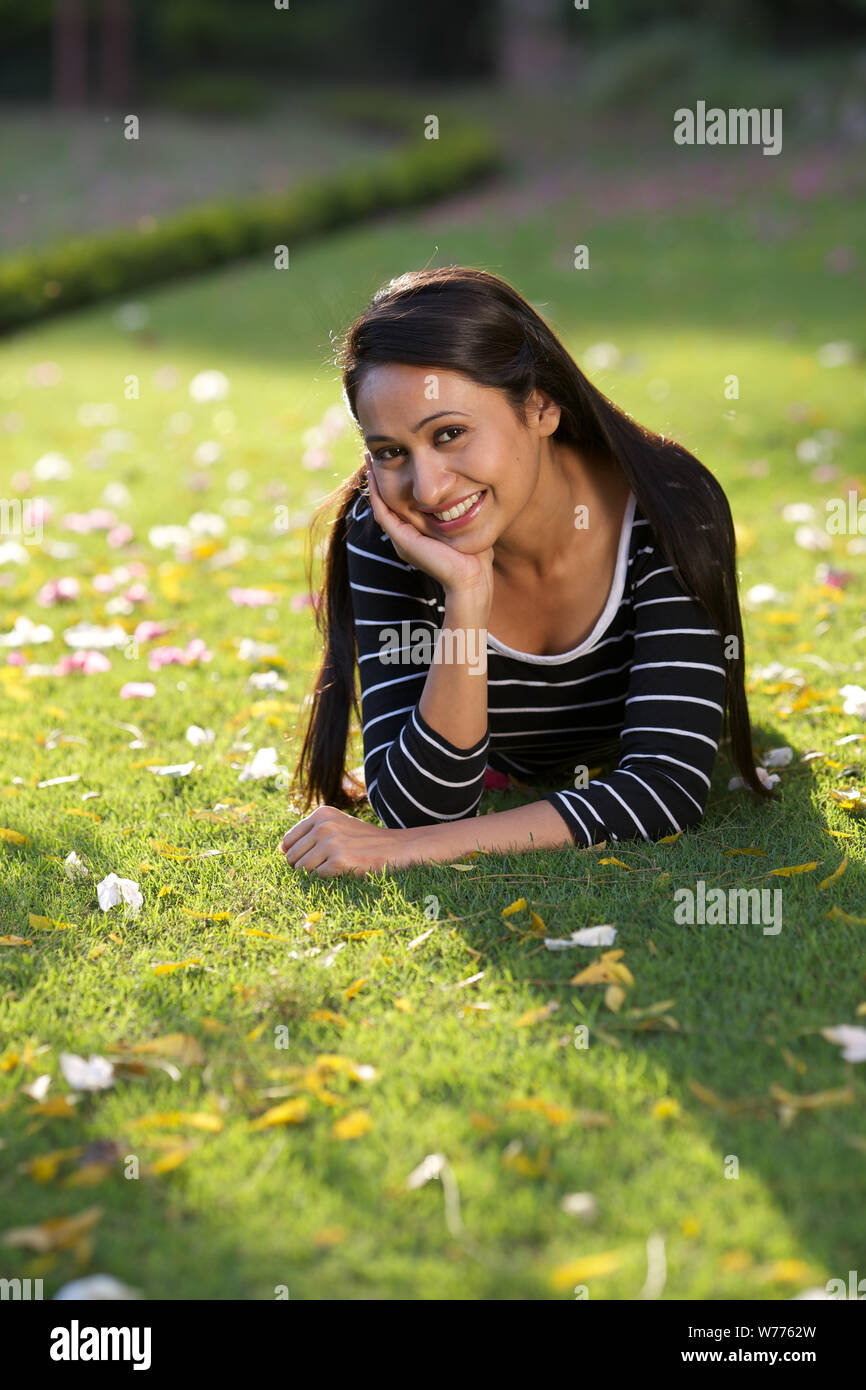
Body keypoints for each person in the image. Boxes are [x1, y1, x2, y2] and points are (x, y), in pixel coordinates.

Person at [281, 266, 776, 877]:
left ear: (540, 405)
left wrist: (404, 852)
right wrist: (466, 595)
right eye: (390, 452)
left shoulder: (669, 505)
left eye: (451, 433)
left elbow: (665, 786)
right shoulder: (388, 531)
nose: (429, 487)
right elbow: (419, 806)